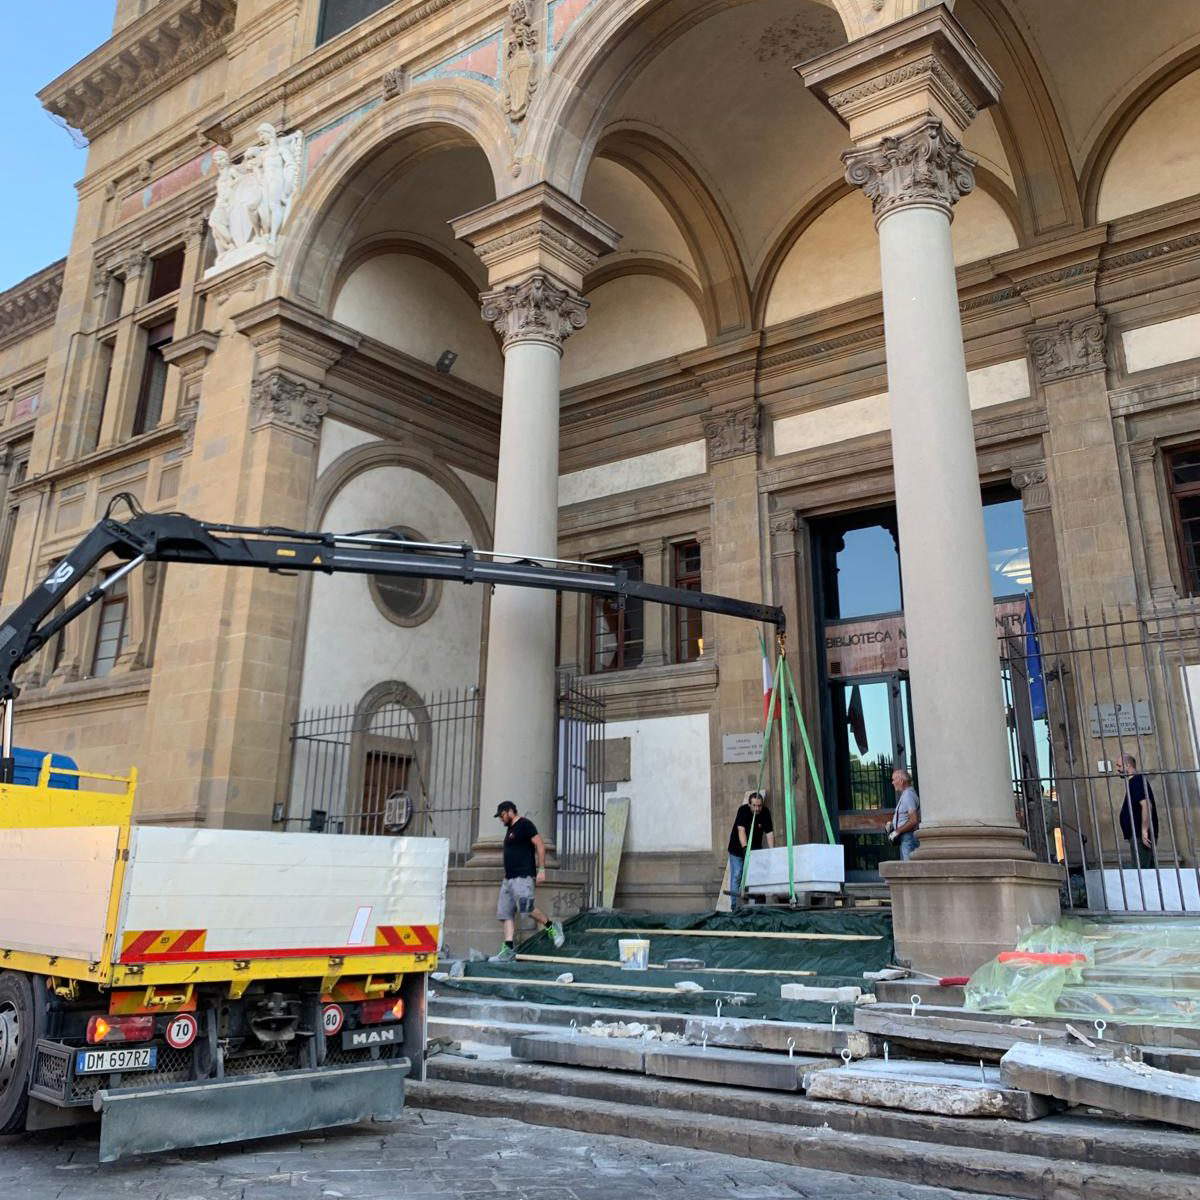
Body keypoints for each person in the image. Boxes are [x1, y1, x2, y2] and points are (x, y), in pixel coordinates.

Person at [490, 801, 565, 962]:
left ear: (510, 811)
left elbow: (540, 845)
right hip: (508, 879)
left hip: (523, 877)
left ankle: (552, 926)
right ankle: (508, 949)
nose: (501, 819)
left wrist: (542, 869)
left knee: (527, 908)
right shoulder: (510, 829)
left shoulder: (525, 824)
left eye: (502, 815)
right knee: (505, 913)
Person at [726, 791, 775, 904]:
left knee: (754, 876)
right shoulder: (743, 810)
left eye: (759, 806)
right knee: (737, 875)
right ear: (749, 804)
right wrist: (745, 848)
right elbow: (741, 830)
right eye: (754, 806)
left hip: (755, 850)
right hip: (737, 849)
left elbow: (769, 833)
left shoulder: (765, 812)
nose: (757, 808)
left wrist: (773, 852)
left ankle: (754, 903)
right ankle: (735, 906)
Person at [1117, 753, 1159, 868]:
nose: (1118, 769)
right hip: (1138, 835)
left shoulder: (1137, 781)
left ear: (1127, 765)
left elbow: (1146, 805)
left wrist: (1144, 830)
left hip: (1141, 836)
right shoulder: (1135, 781)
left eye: (1119, 766)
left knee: (1141, 871)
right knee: (1147, 870)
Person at [886, 769, 920, 860]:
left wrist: (897, 831)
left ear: (901, 781)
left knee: (910, 870)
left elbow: (914, 820)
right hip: (907, 838)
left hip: (908, 838)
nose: (892, 783)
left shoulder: (908, 795)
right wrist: (893, 825)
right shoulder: (907, 794)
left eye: (894, 780)